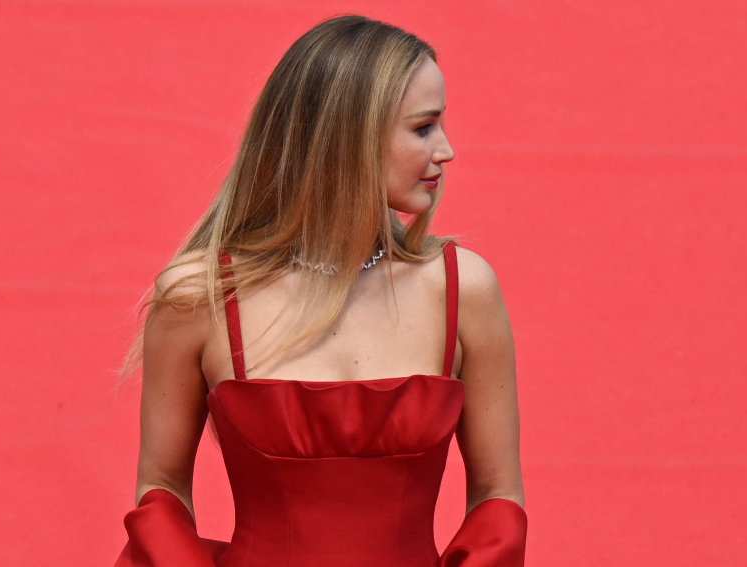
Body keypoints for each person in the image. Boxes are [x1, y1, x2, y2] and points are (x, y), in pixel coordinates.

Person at [110, 14, 527, 567]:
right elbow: (160, 493)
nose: (446, 151)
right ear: (346, 139)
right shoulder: (198, 296)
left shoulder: (464, 288)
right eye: (424, 128)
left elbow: (498, 502)